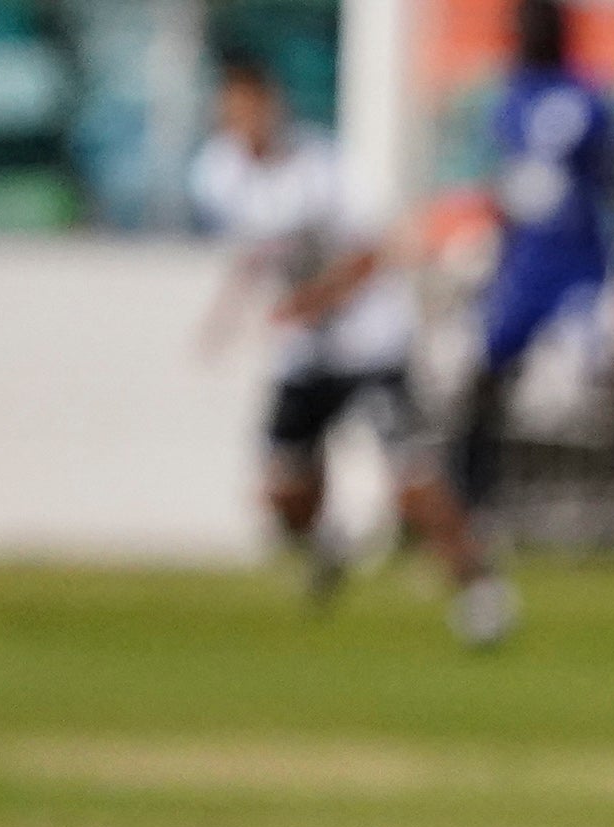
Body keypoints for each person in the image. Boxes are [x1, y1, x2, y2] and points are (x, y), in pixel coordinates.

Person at [192, 49, 513, 646]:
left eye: (251, 105)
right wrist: (226, 315)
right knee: (284, 491)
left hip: (370, 341)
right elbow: (257, 254)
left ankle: (479, 590)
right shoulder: (218, 174)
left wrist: (317, 298)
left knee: (413, 478)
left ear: (272, 104)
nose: (243, 119)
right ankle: (329, 542)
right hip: (306, 351)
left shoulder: (324, 165)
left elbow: (377, 248)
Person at [453, 0, 614, 524]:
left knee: (613, 379)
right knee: (486, 375)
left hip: (581, 265)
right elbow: (492, 181)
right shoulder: (506, 99)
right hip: (525, 266)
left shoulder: (588, 98)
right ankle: (472, 496)